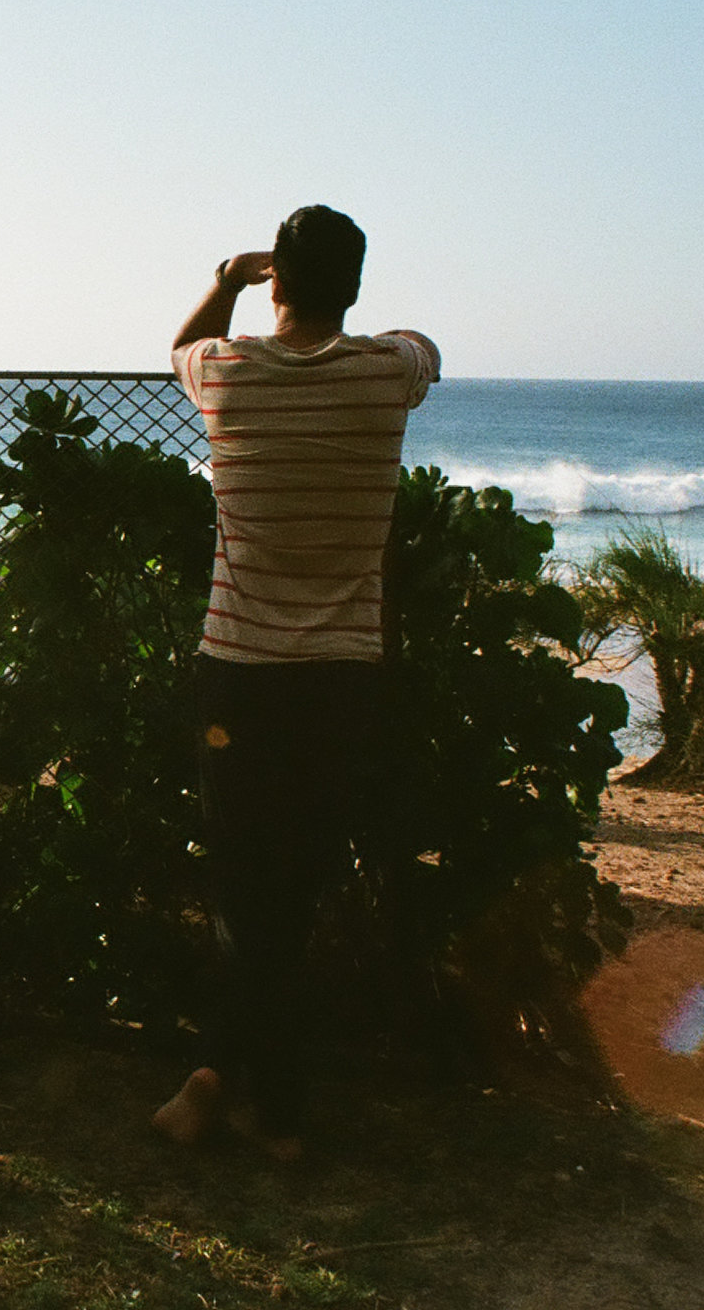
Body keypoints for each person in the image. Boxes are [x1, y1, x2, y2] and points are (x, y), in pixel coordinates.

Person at [149, 204, 439, 1161]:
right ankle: (272, 1111)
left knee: (244, 888)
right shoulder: (385, 373)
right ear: (352, 289)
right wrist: (344, 312)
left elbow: (182, 345)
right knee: (296, 893)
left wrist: (229, 278)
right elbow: (421, 347)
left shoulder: (227, 373)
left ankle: (217, 1081)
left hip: (237, 671)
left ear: (276, 284)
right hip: (339, 681)